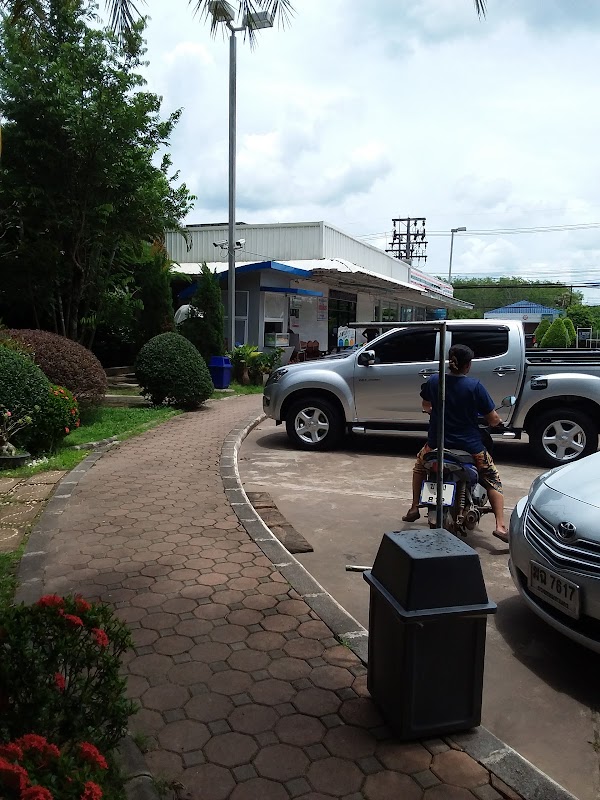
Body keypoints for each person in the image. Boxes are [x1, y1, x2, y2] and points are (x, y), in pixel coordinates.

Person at [402, 343, 509, 543]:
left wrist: (436, 412)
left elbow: (426, 405)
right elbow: (493, 419)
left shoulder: (434, 381)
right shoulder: (474, 386)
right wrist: (498, 422)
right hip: (470, 447)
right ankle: (500, 526)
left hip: (435, 444)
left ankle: (415, 507)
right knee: (492, 478)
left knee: (419, 467)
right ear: (468, 365)